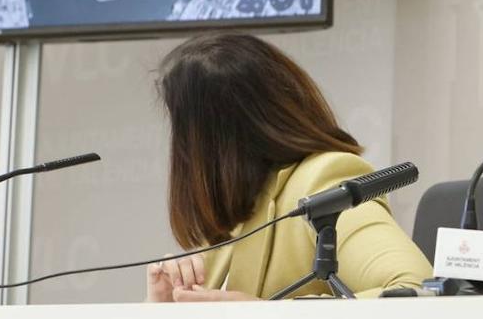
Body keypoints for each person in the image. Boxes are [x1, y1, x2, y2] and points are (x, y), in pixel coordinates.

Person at [144, 32, 431, 301]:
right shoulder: (235, 213)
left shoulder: (323, 179)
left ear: (211, 138)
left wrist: (266, 315)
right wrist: (160, 307)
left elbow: (415, 288)